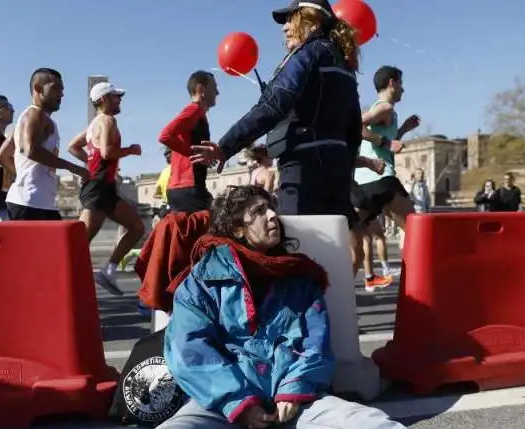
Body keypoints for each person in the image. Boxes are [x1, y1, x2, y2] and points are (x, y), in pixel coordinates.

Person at [0, 185, 525, 429]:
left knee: (368, 427)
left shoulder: (300, 278)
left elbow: (313, 342)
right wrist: (237, 400)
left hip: (295, 402)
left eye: (272, 209)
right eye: (258, 212)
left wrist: (293, 391)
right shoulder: (204, 276)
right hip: (221, 405)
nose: (271, 217)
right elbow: (190, 348)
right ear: (235, 226)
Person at [189, 0, 373, 274]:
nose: (285, 27)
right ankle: (331, 313)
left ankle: (294, 314)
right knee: (331, 258)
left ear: (312, 20)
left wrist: (225, 147)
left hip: (304, 170)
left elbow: (274, 105)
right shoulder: (343, 62)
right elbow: (353, 125)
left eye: (291, 18)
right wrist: (344, 171)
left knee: (289, 249)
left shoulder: (307, 54)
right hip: (335, 171)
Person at [67, 81, 145, 295]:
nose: (120, 99)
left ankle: (108, 271)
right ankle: (61, 281)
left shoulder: (94, 125)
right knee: (79, 243)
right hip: (99, 187)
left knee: (137, 227)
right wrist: (130, 150)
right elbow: (107, 153)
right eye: (115, 96)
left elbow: (73, 147)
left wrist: (90, 166)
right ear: (103, 100)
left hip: (104, 186)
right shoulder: (108, 121)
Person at [5, 68, 88, 221]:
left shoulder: (37, 119)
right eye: (55, 88)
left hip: (41, 203)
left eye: (62, 89)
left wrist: (22, 174)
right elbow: (30, 150)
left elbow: (3, 155)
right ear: (37, 88)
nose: (61, 94)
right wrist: (76, 169)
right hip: (28, 204)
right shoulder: (34, 114)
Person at [351, 65, 421, 233]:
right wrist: (386, 143)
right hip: (381, 180)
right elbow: (354, 126)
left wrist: (403, 129)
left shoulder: (388, 112)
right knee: (416, 230)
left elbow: (386, 140)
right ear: (392, 83)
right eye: (401, 83)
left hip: (367, 182)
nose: (403, 89)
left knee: (355, 245)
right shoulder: (384, 108)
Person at [159, 70, 218, 213]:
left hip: (184, 188)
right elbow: (165, 135)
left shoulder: (197, 114)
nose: (217, 92)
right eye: (214, 88)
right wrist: (191, 152)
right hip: (188, 189)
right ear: (200, 89)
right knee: (216, 226)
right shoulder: (193, 110)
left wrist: (204, 155)